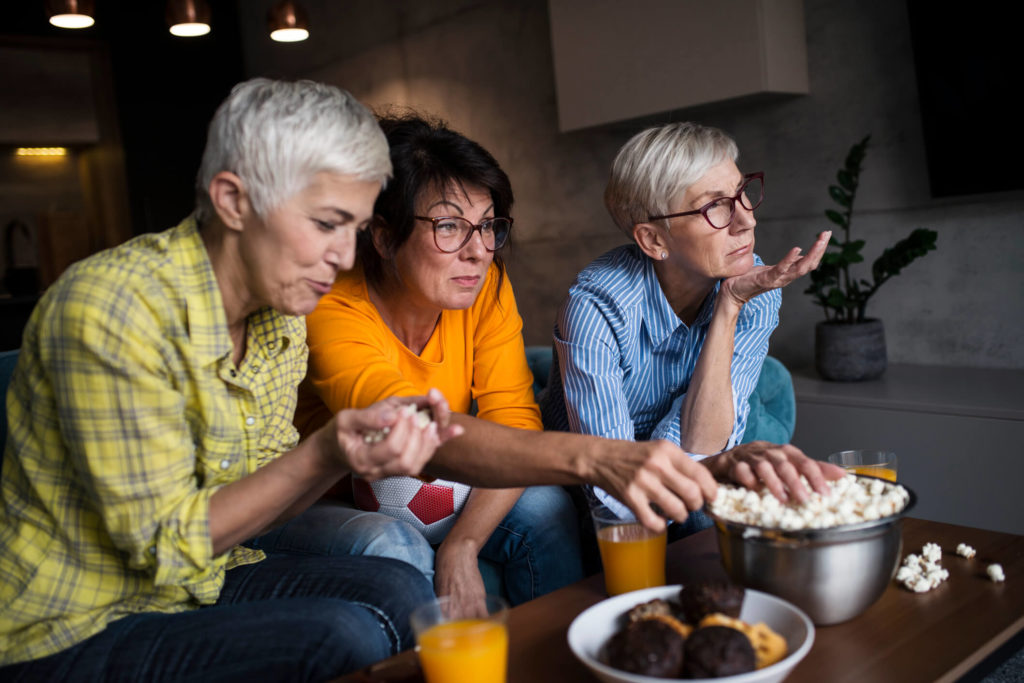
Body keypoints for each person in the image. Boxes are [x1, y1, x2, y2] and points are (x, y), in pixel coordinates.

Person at [0, 79, 458, 681]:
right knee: (341, 635)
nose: (344, 257)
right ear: (233, 201)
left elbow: (262, 502)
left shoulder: (281, 315)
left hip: (208, 576)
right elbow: (164, 549)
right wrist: (325, 451)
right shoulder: (112, 309)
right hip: (73, 622)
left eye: (354, 228)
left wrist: (355, 454)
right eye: (326, 224)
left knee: (402, 590)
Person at [284, 114, 584, 607]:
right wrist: (591, 458)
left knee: (547, 508)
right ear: (382, 237)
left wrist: (463, 546)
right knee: (392, 544)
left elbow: (513, 418)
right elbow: (396, 419)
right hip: (330, 495)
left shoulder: (485, 286)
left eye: (488, 226)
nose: (479, 251)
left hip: (448, 474)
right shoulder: (331, 298)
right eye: (449, 226)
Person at [541, 121, 839, 535]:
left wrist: (730, 304)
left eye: (742, 193)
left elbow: (705, 443)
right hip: (592, 481)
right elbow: (613, 485)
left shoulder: (755, 284)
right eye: (714, 206)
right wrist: (704, 467)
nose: (746, 221)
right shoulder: (596, 307)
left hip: (681, 461)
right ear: (653, 240)